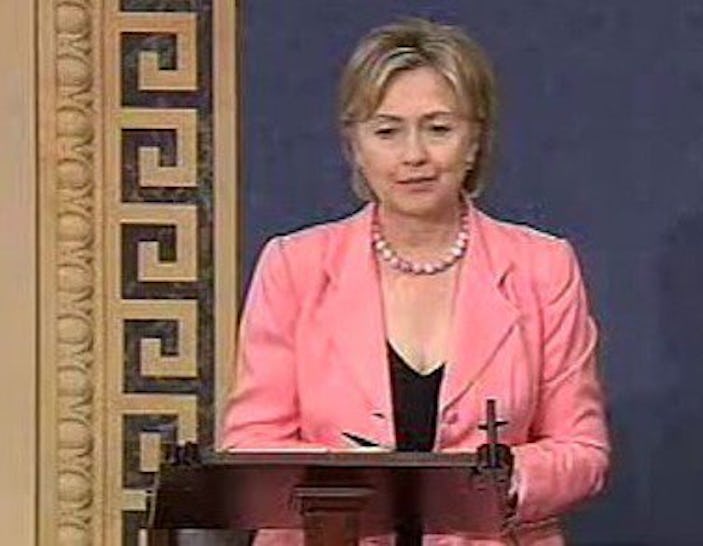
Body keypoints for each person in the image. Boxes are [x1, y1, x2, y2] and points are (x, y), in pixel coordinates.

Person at [221, 17, 610, 545]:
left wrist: (498, 481)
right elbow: (251, 447)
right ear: (354, 145)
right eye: (387, 131)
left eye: (438, 129)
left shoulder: (543, 267)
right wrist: (348, 487)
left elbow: (582, 451)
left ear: (474, 140)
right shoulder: (294, 266)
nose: (413, 156)